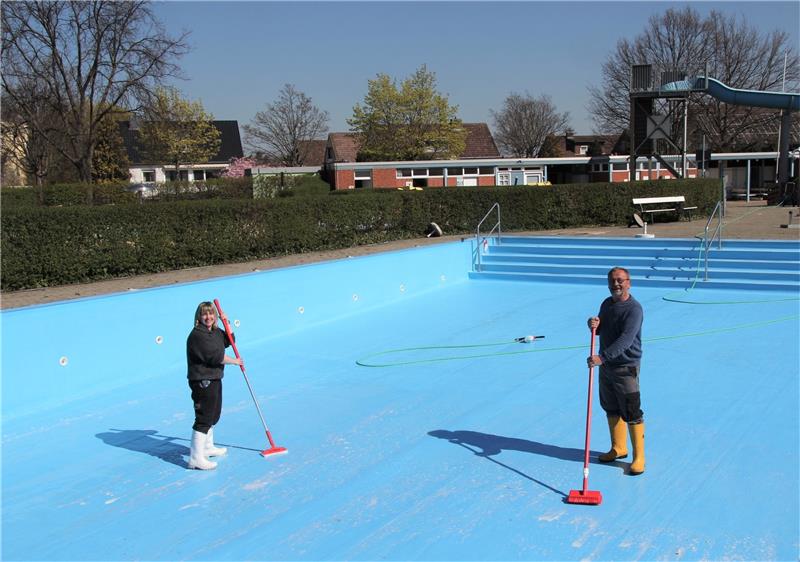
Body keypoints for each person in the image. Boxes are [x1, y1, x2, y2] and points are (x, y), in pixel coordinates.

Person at [587, 267, 645, 475]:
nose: (616, 284)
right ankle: (619, 448)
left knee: (631, 410)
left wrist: (602, 357)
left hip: (625, 366)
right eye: (612, 280)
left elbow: (626, 339)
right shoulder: (606, 303)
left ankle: (639, 457)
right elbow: (602, 328)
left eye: (620, 280)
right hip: (607, 366)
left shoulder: (634, 309)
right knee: (610, 406)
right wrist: (594, 324)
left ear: (629, 282)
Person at [186, 301, 243, 470]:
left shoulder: (215, 331)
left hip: (214, 377)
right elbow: (215, 356)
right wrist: (235, 361)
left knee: (213, 415)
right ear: (199, 316)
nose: (208, 317)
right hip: (202, 380)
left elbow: (229, 341)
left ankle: (207, 447)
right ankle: (195, 458)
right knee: (204, 418)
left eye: (211, 313)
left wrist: (227, 323)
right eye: (204, 314)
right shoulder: (198, 335)